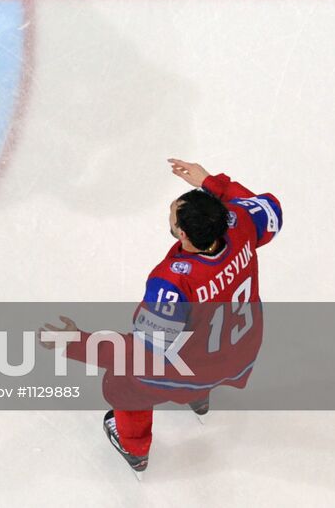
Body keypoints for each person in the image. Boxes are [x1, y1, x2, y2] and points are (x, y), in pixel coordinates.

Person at [40, 159, 284, 472]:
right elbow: (270, 210)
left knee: (122, 383)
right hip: (243, 350)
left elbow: (141, 354)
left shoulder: (173, 283)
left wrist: (75, 343)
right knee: (202, 337)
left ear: (181, 234)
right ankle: (199, 398)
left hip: (197, 367)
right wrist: (212, 184)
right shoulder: (240, 224)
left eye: (172, 215)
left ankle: (135, 448)